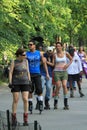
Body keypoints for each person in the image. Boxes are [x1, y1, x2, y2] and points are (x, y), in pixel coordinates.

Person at [9, 48, 31, 126]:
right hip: (16, 82)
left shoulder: (26, 61)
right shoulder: (14, 62)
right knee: (16, 99)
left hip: (25, 82)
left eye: (25, 55)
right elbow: (11, 72)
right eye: (23, 55)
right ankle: (14, 118)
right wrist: (10, 82)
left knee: (25, 99)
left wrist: (30, 80)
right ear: (19, 55)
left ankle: (25, 118)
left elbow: (28, 71)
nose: (25, 56)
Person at [26, 40, 49, 114]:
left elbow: (44, 63)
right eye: (28, 45)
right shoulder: (27, 54)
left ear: (34, 46)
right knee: (30, 90)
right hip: (29, 74)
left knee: (39, 89)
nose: (29, 46)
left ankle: (41, 103)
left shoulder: (39, 53)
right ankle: (30, 104)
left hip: (37, 73)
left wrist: (47, 73)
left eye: (31, 44)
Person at [53, 42, 72, 110]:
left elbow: (71, 59)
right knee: (58, 86)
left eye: (59, 46)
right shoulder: (54, 55)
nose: (57, 47)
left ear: (61, 47)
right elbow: (53, 64)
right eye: (56, 46)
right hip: (57, 72)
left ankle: (66, 103)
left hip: (64, 72)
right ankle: (55, 102)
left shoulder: (65, 53)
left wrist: (67, 65)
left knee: (64, 85)